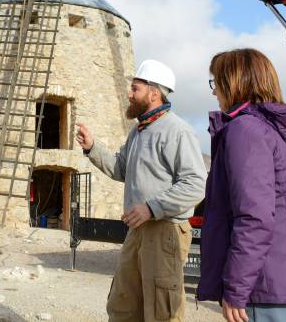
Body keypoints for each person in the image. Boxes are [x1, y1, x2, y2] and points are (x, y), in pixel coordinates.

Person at [197, 48, 286, 322]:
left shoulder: (245, 131)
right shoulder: (280, 132)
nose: (214, 93)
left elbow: (254, 217)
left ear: (235, 82)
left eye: (216, 83)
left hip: (266, 288)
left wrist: (236, 288)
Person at [76, 59, 207, 322]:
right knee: (123, 303)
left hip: (165, 231)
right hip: (137, 230)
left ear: (154, 93)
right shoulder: (138, 132)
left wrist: (151, 208)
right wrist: (92, 148)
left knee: (161, 311)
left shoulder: (178, 131)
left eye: (135, 88)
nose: (129, 93)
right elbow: (120, 169)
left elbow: (196, 184)